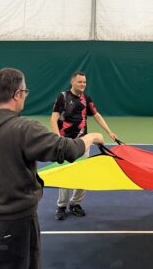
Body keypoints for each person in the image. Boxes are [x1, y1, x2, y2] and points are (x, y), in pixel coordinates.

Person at [0, 67, 104, 269]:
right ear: (16, 94)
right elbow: (66, 150)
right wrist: (91, 137)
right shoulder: (23, 128)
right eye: (25, 91)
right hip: (15, 225)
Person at [50, 70, 118, 220]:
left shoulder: (86, 99)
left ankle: (75, 203)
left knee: (82, 175)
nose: (82, 84)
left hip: (83, 143)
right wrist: (57, 139)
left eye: (84, 82)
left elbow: (97, 115)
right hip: (65, 143)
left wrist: (109, 132)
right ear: (72, 82)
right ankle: (61, 206)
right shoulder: (63, 97)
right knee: (65, 175)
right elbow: (53, 119)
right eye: (80, 82)